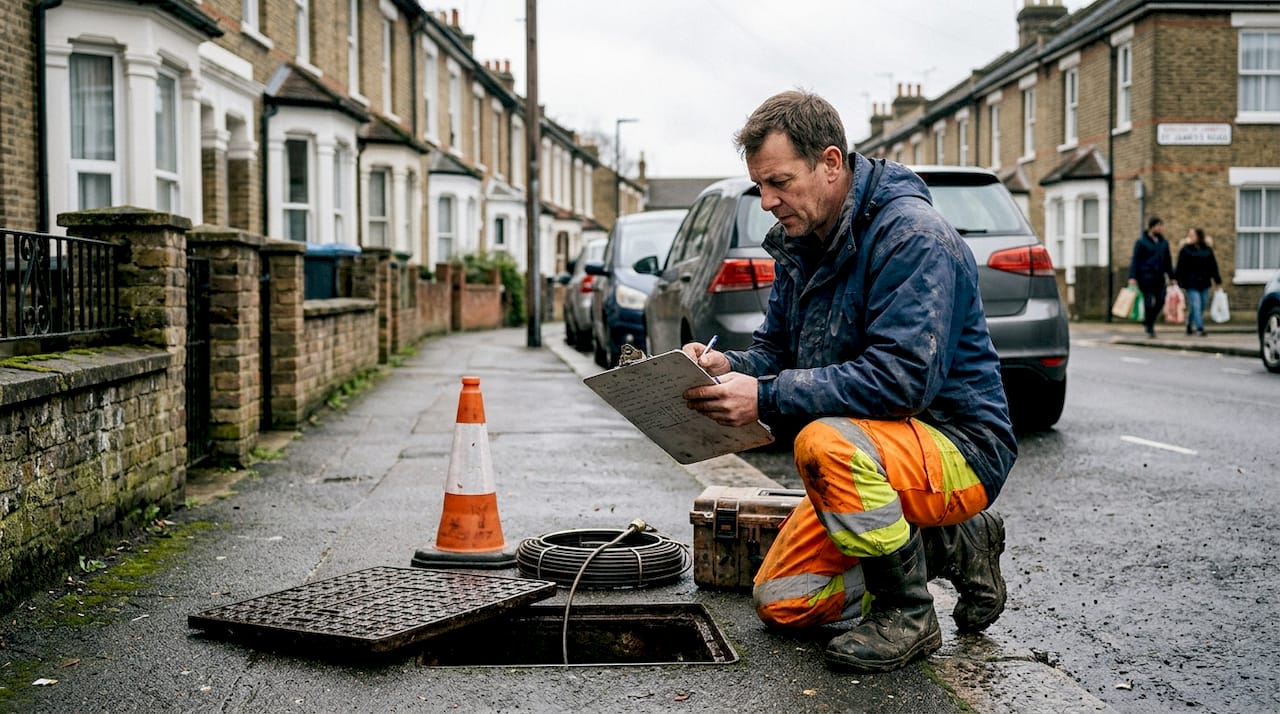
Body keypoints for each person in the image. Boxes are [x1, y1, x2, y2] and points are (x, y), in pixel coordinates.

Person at [680, 90, 1016, 674]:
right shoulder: (802, 245)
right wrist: (727, 370)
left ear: (831, 163)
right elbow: (775, 353)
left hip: (958, 447)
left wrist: (764, 396)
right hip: (871, 455)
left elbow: (902, 382)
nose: (767, 201)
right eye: (760, 185)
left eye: (779, 182)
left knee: (823, 442)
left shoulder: (913, 237)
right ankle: (952, 544)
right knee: (783, 601)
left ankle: (908, 612)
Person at [1127, 217, 1176, 338]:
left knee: (1161, 300)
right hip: (1145, 277)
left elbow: (1168, 261)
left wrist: (1172, 276)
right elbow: (1135, 260)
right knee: (1148, 303)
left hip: (1159, 277)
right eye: (1158, 226)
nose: (1160, 228)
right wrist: (1132, 277)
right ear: (1151, 227)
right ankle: (1150, 327)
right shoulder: (1141, 242)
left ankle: (1149, 320)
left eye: (1161, 226)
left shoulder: (1164, 243)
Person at [1174, 227, 1222, 336]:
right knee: (1196, 304)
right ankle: (1200, 328)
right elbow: (1180, 265)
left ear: (1199, 236)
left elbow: (1213, 266)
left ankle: (1189, 324)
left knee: (1202, 305)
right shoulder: (1185, 250)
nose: (1190, 237)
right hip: (1191, 282)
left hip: (1204, 281)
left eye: (1192, 235)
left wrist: (1218, 281)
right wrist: (1176, 279)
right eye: (1189, 235)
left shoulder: (1207, 250)